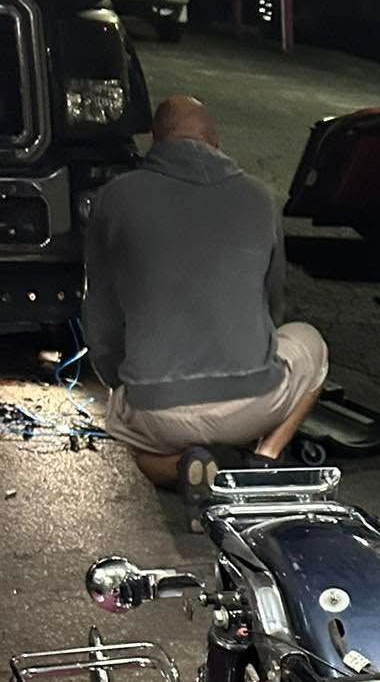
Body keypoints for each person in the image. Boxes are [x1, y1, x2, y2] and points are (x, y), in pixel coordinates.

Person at [84, 95, 328, 512]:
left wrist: (119, 382)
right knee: (312, 345)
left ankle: (186, 465)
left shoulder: (115, 198)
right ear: (215, 140)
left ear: (154, 141)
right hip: (253, 403)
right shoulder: (259, 197)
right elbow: (274, 305)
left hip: (157, 411)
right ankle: (263, 458)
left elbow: (102, 316)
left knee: (139, 449)